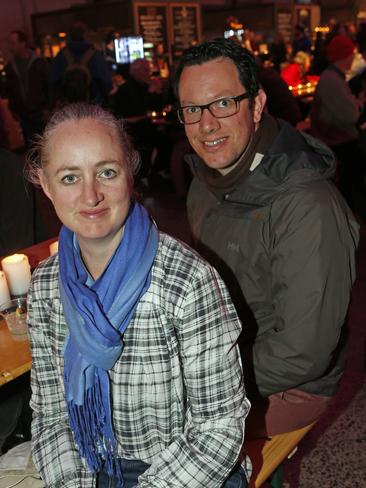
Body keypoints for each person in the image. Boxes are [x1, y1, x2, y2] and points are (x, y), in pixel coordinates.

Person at [26, 102, 250, 487]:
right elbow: (51, 417)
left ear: (130, 173)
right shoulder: (45, 286)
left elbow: (218, 430)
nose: (91, 195)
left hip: (189, 472)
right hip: (94, 467)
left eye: (107, 172)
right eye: (69, 178)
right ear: (45, 184)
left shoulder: (187, 281)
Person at [174, 38, 359, 439]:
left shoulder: (308, 205)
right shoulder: (205, 184)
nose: (207, 125)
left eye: (223, 103)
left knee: (167, 436)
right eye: (192, 110)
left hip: (292, 385)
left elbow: (303, 355)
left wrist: (198, 385)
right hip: (227, 351)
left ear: (256, 105)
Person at [310, 35, 364, 211]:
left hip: (335, 139)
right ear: (345, 56)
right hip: (338, 142)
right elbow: (351, 115)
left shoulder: (333, 77)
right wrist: (359, 103)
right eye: (351, 54)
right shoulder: (332, 80)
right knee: (352, 185)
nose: (353, 58)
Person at [49, 22, 112, 106]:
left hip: (68, 107)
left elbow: (53, 82)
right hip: (92, 105)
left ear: (70, 35)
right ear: (85, 35)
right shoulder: (95, 55)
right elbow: (106, 83)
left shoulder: (61, 55)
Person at [5, 30, 49, 146]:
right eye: (9, 43)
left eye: (13, 43)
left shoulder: (38, 62)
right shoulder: (10, 67)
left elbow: (48, 85)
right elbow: (10, 90)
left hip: (40, 113)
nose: (11, 47)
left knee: (45, 146)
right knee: (31, 148)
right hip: (24, 115)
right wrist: (13, 109)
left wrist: (47, 108)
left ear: (22, 43)